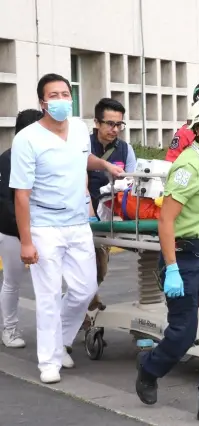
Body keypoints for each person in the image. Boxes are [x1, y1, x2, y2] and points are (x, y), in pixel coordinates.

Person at [9, 73, 124, 384]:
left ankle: (59, 339)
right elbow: (21, 194)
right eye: (54, 95)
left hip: (76, 224)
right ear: (43, 103)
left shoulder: (77, 131)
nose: (61, 100)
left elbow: (81, 158)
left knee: (85, 289)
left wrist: (106, 165)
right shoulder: (27, 139)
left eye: (65, 93)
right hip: (44, 225)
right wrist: (27, 242)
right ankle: (50, 359)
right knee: (47, 295)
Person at [135, 93, 199, 425]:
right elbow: (165, 221)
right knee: (183, 333)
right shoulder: (187, 166)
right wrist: (173, 269)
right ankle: (150, 368)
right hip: (185, 256)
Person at [86, 97, 137, 316]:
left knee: (100, 267)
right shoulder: (83, 145)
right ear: (97, 122)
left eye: (119, 125)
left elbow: (133, 182)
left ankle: (81, 304)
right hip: (83, 215)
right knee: (86, 266)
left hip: (109, 218)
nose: (115, 129)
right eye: (110, 124)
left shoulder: (125, 150)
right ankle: (86, 308)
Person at [0, 109, 43, 348]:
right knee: (12, 280)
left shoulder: (39, 156)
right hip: (12, 232)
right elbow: (7, 201)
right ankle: (10, 329)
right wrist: (24, 235)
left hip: (41, 228)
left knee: (49, 283)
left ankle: (54, 330)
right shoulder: (8, 159)